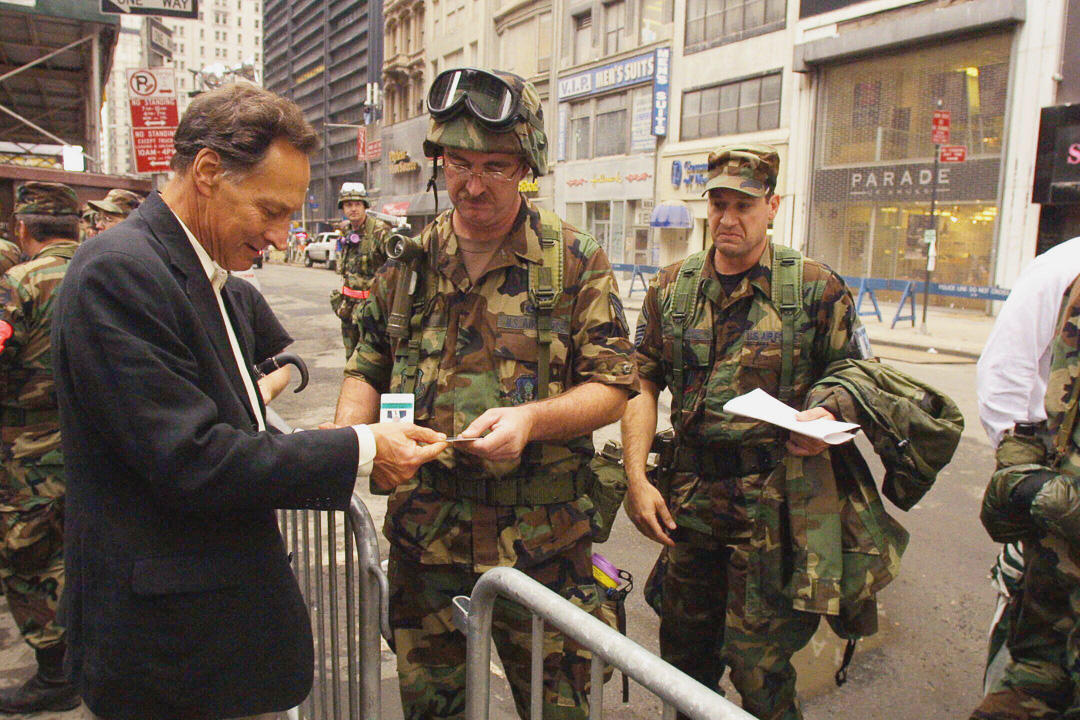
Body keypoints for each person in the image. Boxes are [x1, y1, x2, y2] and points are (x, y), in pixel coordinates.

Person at [51, 82, 447, 720]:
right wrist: (362, 446)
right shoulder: (120, 272)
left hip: (210, 637)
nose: (282, 235)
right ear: (208, 171)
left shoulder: (201, 272)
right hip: (170, 656)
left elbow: (229, 422)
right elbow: (194, 459)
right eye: (271, 210)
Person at [331, 68, 638, 720]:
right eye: (459, 163)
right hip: (425, 546)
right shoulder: (408, 262)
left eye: (495, 166)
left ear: (526, 165)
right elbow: (364, 368)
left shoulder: (573, 259)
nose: (472, 185)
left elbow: (614, 387)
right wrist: (356, 448)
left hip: (544, 552)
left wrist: (531, 419)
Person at [621, 144, 871, 720]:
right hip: (689, 502)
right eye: (719, 204)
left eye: (744, 206)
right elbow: (640, 382)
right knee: (682, 662)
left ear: (772, 206)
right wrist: (636, 479)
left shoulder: (813, 289)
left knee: (760, 668)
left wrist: (828, 410)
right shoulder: (670, 289)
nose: (728, 219)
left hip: (774, 505)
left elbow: (856, 371)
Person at [975, 236, 1080, 694]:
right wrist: (1026, 480)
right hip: (1058, 528)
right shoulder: (1064, 268)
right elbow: (1006, 373)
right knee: (1031, 670)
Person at [0, 182, 82, 713]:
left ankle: (55, 675)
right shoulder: (111, 267)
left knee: (29, 557)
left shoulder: (21, 282)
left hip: (30, 450)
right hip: (98, 445)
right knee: (85, 552)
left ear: (24, 229)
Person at [331, 182, 390, 359]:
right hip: (349, 309)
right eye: (348, 205)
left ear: (365, 206)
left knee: (374, 359)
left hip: (372, 310)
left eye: (357, 204)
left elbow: (397, 267)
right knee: (351, 359)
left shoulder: (379, 231)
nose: (353, 209)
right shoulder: (346, 231)